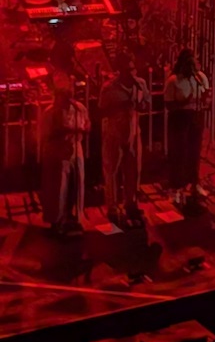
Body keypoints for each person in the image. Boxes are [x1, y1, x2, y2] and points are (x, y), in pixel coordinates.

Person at [99, 54, 149, 228]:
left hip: (134, 133)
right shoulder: (109, 88)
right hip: (114, 133)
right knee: (112, 171)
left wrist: (140, 104)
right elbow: (101, 111)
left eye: (133, 69)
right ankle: (113, 208)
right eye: (128, 70)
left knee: (134, 170)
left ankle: (131, 204)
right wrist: (120, 106)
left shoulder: (140, 84)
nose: (132, 73)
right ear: (120, 70)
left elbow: (147, 104)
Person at [39, 81, 90, 236]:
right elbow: (46, 135)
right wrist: (65, 131)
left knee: (77, 183)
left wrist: (83, 129)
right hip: (57, 151)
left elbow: (87, 123)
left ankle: (75, 217)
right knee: (58, 187)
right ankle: (57, 221)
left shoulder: (79, 108)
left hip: (75, 148)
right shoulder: (50, 112)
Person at [163, 48, 210, 210]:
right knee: (179, 153)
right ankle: (176, 187)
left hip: (196, 117)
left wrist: (205, 100)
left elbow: (207, 98)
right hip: (179, 119)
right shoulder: (173, 81)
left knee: (194, 152)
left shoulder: (200, 78)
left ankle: (194, 183)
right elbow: (169, 105)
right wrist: (184, 103)